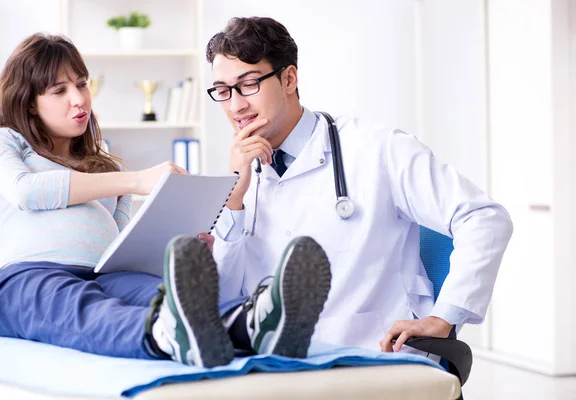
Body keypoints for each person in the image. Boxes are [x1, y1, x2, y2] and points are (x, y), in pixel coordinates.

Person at [0, 32, 332, 368]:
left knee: (162, 293)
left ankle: (253, 321)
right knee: (81, 309)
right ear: (30, 103)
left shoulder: (103, 167)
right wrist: (136, 181)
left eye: (82, 84)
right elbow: (27, 192)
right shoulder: (4, 141)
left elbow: (120, 253)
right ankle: (165, 333)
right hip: (24, 277)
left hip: (101, 275)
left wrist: (177, 243)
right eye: (59, 90)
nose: (79, 99)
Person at [205, 16, 514, 353]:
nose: (235, 105)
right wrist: (234, 198)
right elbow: (224, 298)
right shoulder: (242, 175)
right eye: (223, 91)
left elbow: (484, 217)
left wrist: (446, 316)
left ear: (289, 78)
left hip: (371, 358)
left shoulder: (377, 149)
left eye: (249, 84)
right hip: (275, 365)